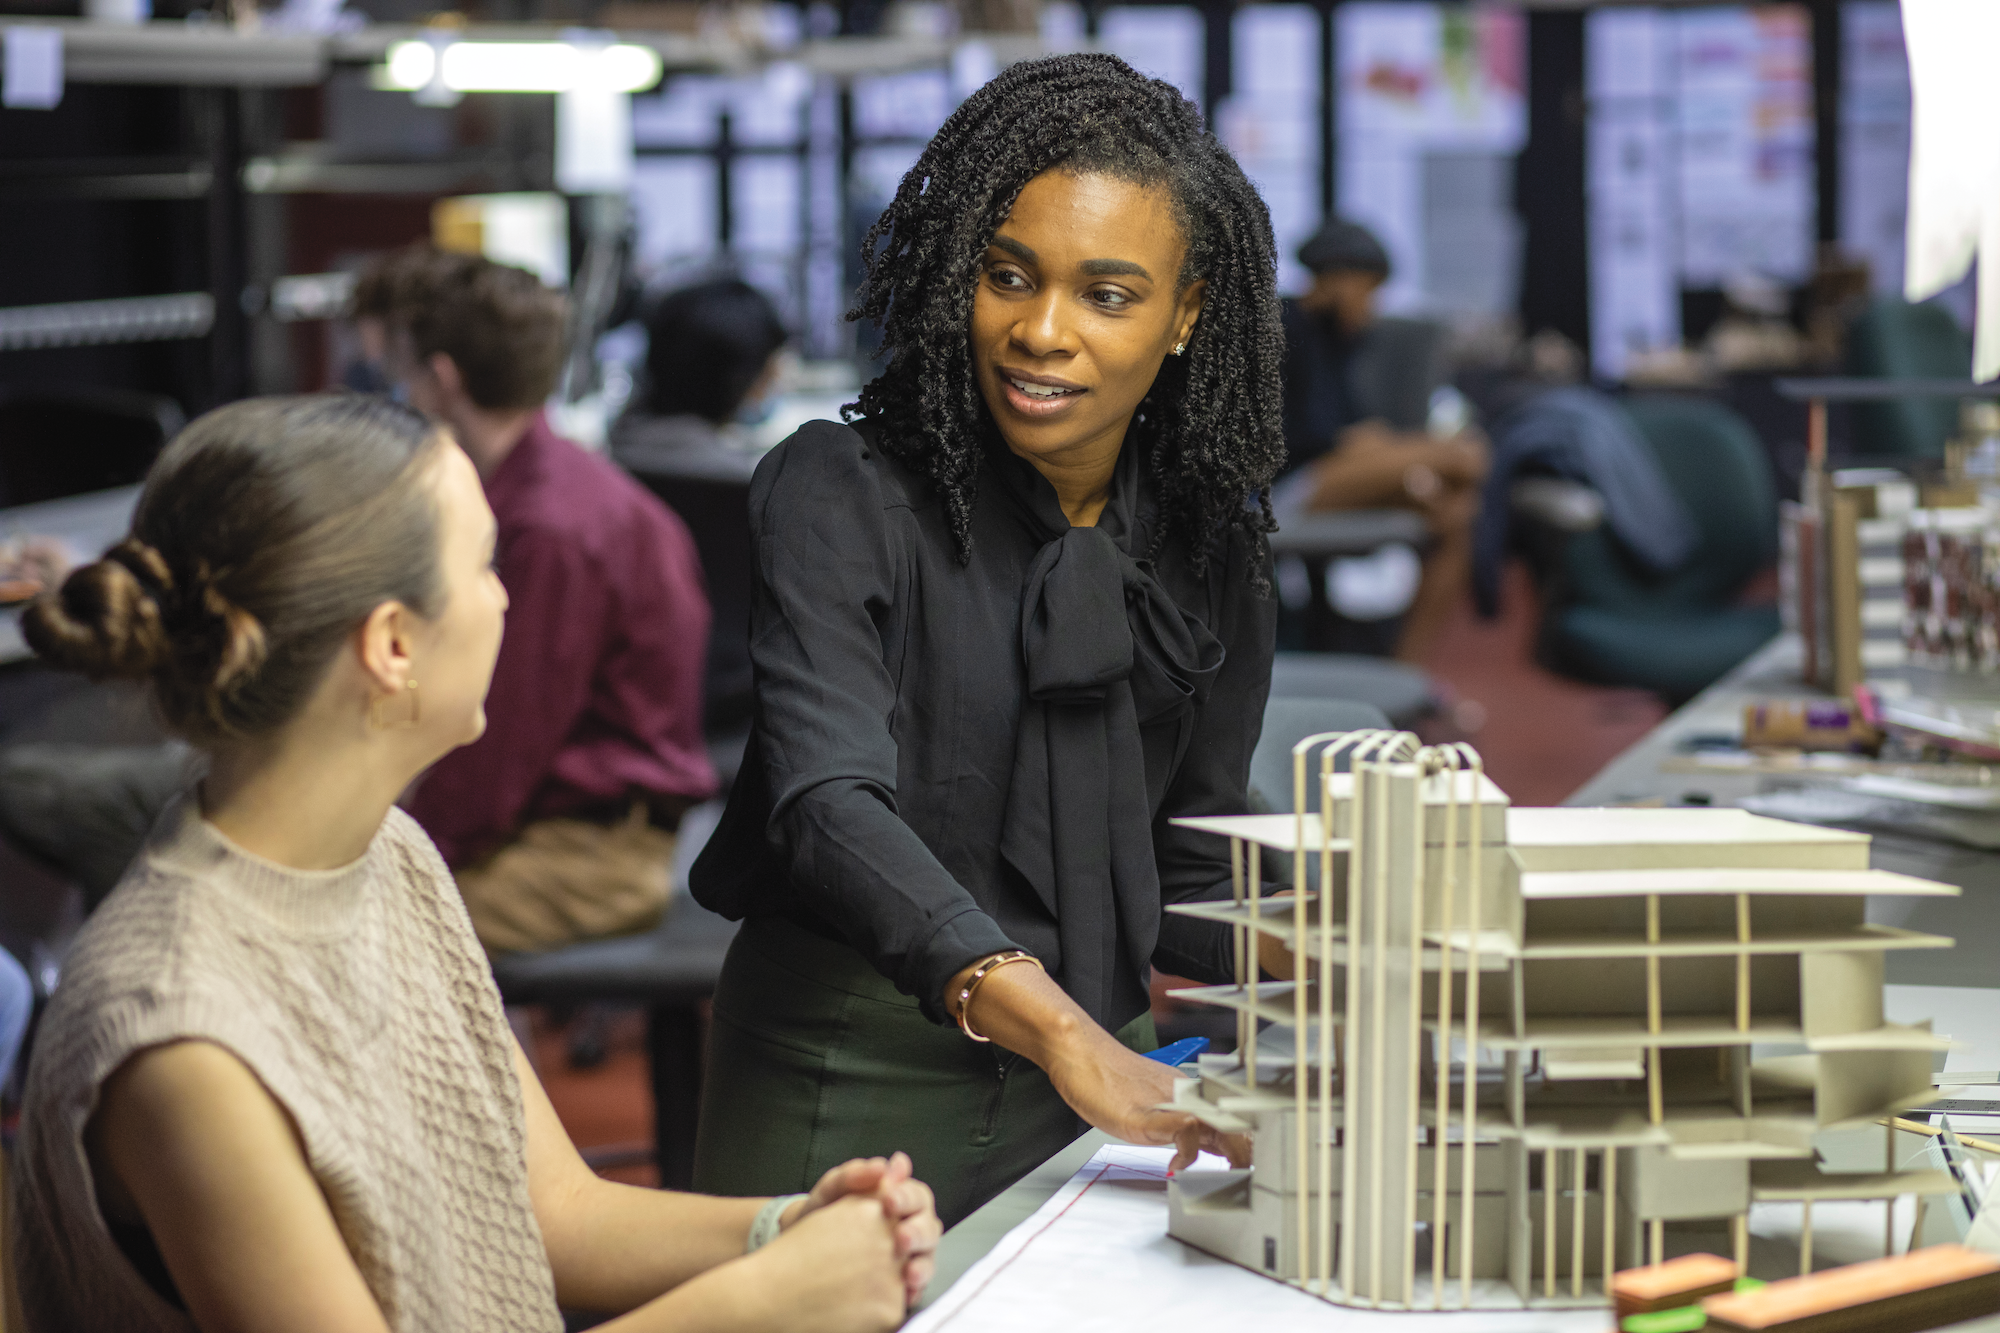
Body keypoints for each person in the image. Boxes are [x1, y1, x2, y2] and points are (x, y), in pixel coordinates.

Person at [12, 394, 939, 1333]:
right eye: (484, 565)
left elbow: (555, 1214)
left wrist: (791, 1227)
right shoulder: (183, 1037)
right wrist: (765, 1300)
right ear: (392, 646)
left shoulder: (388, 853)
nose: (503, 596)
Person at [688, 53, 1295, 1228]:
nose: (1041, 333)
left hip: (1099, 1071)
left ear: (1186, 313)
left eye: (1107, 295)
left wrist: (1348, 945)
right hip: (851, 1055)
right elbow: (823, 804)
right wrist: (1059, 1029)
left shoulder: (1210, 544)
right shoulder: (840, 490)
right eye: (1006, 275)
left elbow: (1187, 848)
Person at [360, 246, 717, 955]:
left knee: (350, 936)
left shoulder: (546, 528)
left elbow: (496, 751)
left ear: (440, 379)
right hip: (555, 823)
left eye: (396, 372)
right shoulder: (545, 491)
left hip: (587, 856)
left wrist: (381, 844)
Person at [1278, 218, 1489, 663]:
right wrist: (1371, 448)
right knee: (1465, 458)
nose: (1372, 306)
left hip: (1333, 474)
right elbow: (1302, 439)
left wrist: (1380, 452)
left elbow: (1352, 429)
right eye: (1367, 289)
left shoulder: (1338, 342)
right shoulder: (1281, 327)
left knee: (1456, 515)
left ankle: (1406, 674)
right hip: (1280, 489)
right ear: (1336, 282)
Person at [611, 279, 790, 746]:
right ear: (746, 380)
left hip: (636, 712)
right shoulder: (769, 491)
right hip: (747, 728)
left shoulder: (607, 471)